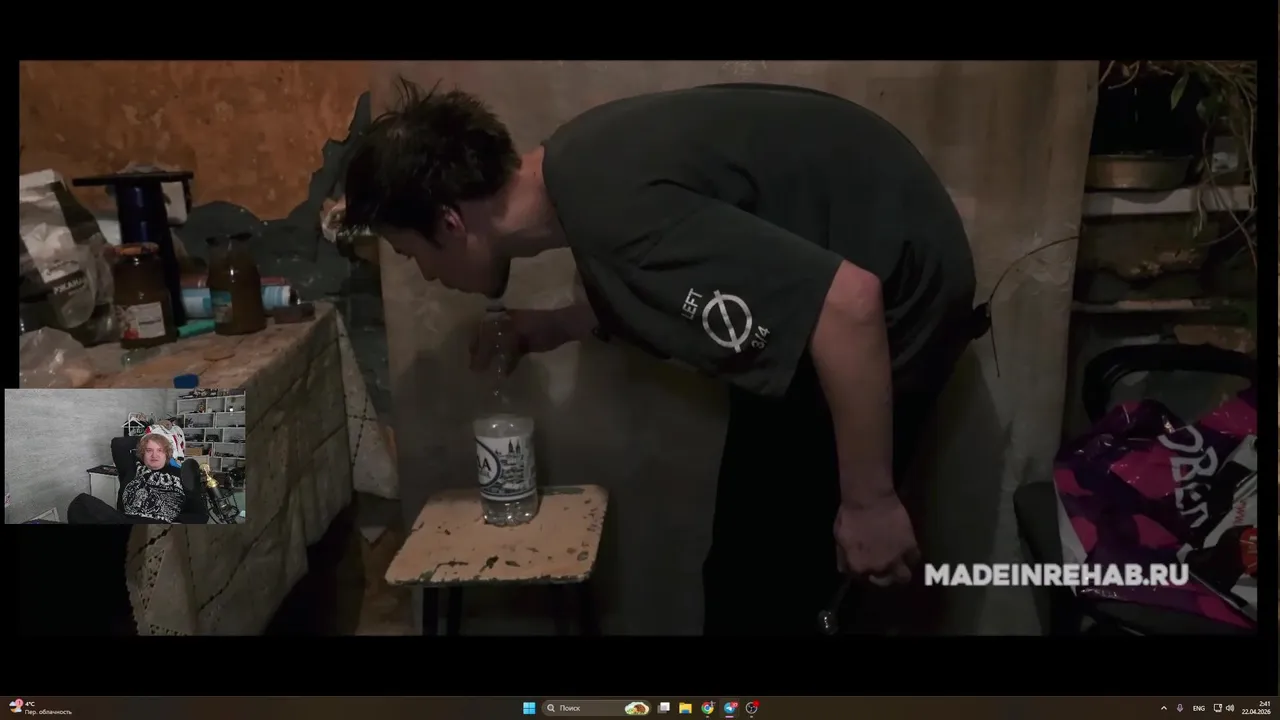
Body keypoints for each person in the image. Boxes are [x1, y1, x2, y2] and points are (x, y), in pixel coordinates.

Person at [341, 80, 981, 635]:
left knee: (772, 588)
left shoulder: (613, 212)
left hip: (896, 300)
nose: (426, 275)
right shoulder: (578, 167)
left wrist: (870, 501)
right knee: (740, 567)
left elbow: (848, 304)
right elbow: (697, 280)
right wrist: (558, 324)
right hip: (842, 306)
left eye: (411, 254)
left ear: (450, 223)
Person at [68, 432, 200, 524]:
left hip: (162, 526)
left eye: (160, 450)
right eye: (149, 450)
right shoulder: (132, 468)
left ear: (167, 454)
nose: (154, 455)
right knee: (81, 502)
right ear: (142, 453)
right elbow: (118, 444)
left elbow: (199, 513)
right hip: (126, 521)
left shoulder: (181, 473)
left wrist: (178, 524)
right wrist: (151, 433)